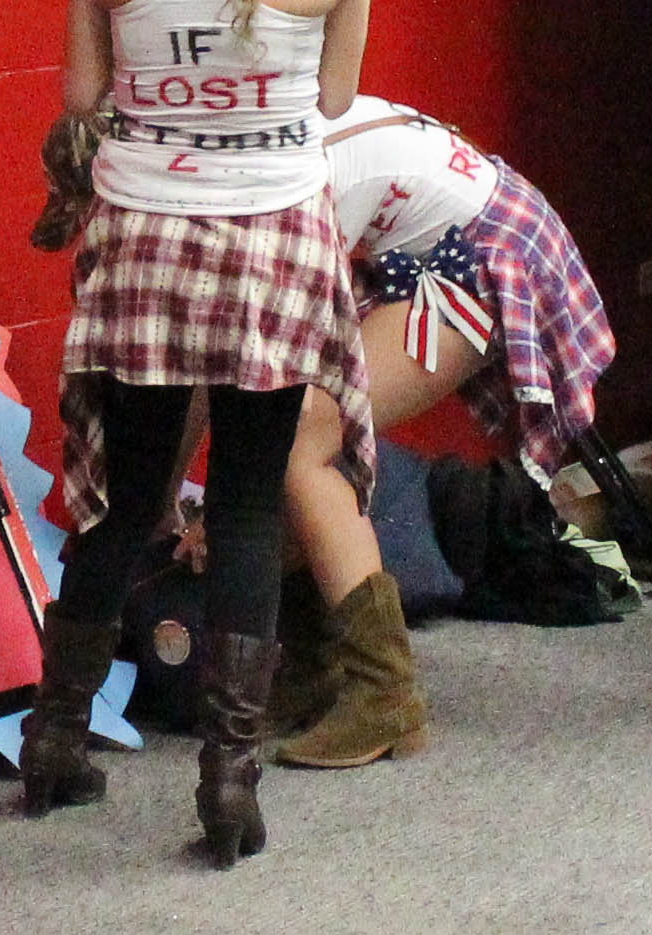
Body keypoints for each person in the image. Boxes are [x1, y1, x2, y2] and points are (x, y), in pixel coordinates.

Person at [18, 0, 373, 864]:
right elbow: (333, 98)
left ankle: (54, 740)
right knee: (252, 499)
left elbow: (83, 98)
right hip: (274, 230)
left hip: (147, 236)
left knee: (131, 495)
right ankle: (228, 782)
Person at [266, 91, 623, 765]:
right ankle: (317, 667)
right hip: (444, 242)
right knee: (298, 429)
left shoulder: (282, 188)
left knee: (300, 438)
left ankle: (382, 696)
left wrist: (207, 510)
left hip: (478, 253)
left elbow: (266, 353)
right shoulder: (249, 153)